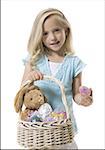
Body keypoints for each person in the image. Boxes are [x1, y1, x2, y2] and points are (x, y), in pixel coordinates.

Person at [21, 8, 93, 149]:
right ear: (39, 36)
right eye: (45, 33)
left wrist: (83, 98)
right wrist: (30, 77)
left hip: (62, 128)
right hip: (38, 130)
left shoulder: (74, 63)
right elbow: (22, 90)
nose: (52, 38)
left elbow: (76, 94)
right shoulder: (34, 59)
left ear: (66, 30)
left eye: (56, 30)